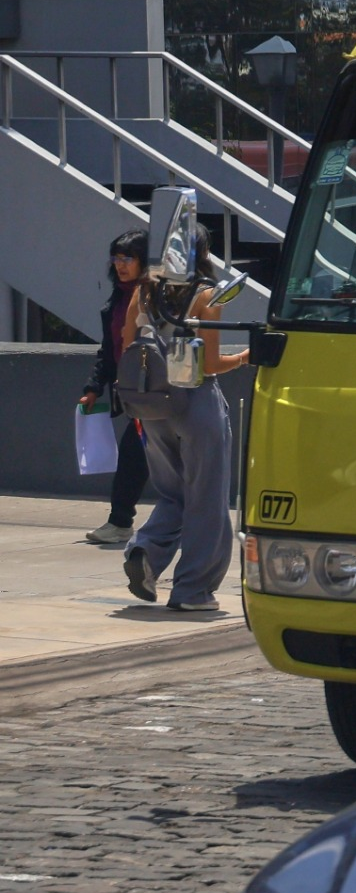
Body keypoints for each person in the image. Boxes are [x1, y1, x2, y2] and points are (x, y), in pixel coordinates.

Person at [122, 228, 252, 613]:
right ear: (202, 251)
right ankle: (194, 590)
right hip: (195, 402)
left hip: (152, 404)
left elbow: (130, 344)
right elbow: (210, 364)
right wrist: (244, 357)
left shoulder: (144, 292)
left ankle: (146, 550)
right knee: (207, 498)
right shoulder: (205, 294)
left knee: (173, 493)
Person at [76, 230, 158, 546]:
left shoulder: (155, 295)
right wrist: (94, 387)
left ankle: (121, 522)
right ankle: (122, 522)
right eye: (117, 258)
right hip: (131, 393)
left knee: (137, 456)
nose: (121, 265)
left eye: (129, 258)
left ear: (144, 261)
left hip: (156, 391)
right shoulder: (117, 300)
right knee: (142, 458)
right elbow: (109, 350)